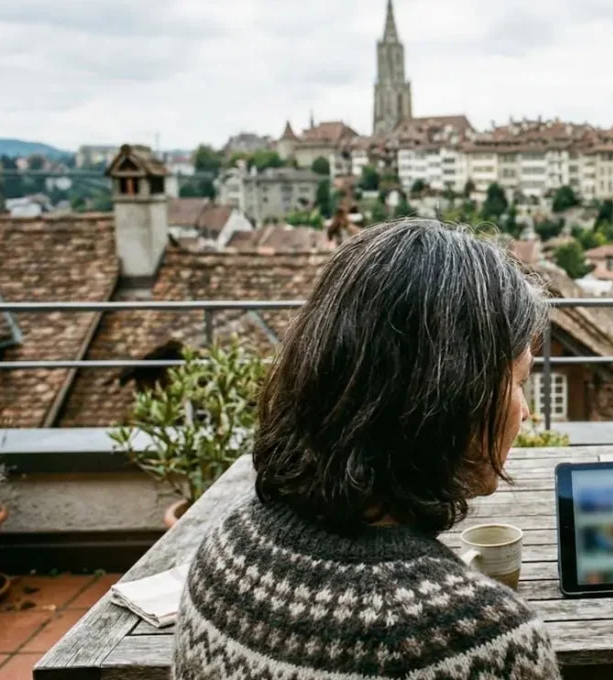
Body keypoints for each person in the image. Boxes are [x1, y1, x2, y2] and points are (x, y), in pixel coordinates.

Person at [174, 220, 560, 679]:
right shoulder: (479, 643)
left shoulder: (227, 547)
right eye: (517, 383)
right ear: (450, 399)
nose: (526, 412)